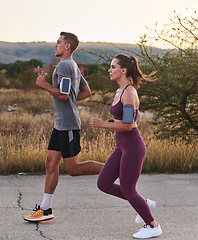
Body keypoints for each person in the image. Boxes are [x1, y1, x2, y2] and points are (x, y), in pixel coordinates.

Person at [23, 32, 104, 222]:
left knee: (73, 169)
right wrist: (69, 100)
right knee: (50, 163)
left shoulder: (64, 66)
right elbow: (86, 92)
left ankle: (113, 168)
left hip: (68, 125)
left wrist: (43, 85)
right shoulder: (73, 66)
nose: (55, 45)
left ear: (67, 46)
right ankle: (45, 209)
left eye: (58, 42)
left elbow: (63, 95)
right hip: (60, 125)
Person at [90, 54, 162, 239]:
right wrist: (114, 121)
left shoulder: (129, 93)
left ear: (123, 70)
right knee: (103, 183)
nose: (109, 70)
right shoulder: (119, 92)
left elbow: (129, 126)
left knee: (128, 189)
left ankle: (152, 225)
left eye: (113, 67)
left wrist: (103, 125)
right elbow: (124, 120)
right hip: (121, 146)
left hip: (132, 145)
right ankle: (144, 203)